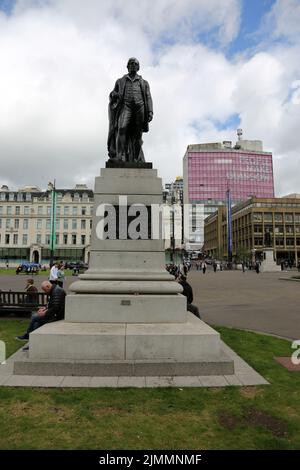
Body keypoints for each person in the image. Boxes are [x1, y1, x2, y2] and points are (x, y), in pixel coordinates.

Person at [107, 57, 153, 162]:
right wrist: (113, 95)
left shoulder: (144, 82)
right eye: (130, 64)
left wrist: (150, 111)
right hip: (125, 106)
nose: (132, 65)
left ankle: (137, 158)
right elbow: (113, 94)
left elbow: (148, 96)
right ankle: (120, 156)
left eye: (135, 64)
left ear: (138, 67)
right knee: (121, 128)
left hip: (139, 107)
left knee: (138, 134)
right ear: (127, 67)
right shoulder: (120, 81)